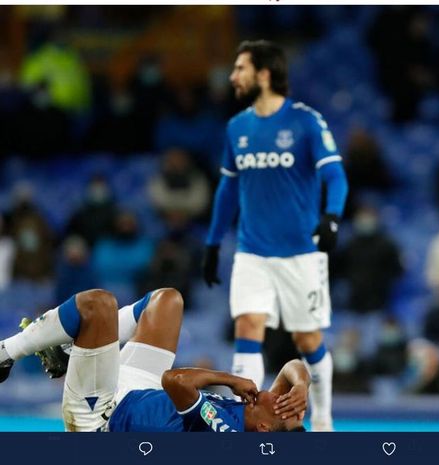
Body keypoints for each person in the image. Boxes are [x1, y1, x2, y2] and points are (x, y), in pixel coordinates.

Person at [202, 40, 348, 432]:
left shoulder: (306, 121)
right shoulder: (237, 127)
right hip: (251, 251)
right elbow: (228, 190)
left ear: (264, 74)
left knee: (307, 338)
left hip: (301, 253)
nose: (233, 77)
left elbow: (335, 174)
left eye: (240, 68)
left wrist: (332, 217)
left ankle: (323, 421)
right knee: (247, 326)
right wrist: (213, 243)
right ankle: (242, 422)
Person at [0, 288, 308, 432]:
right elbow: (291, 368)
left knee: (97, 306)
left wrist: (229, 379)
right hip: (142, 393)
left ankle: (6, 352)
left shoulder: (224, 433)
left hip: (104, 416)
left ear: (266, 428)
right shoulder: (268, 418)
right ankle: (70, 351)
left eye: (280, 403)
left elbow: (174, 381)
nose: (274, 393)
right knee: (166, 301)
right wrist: (303, 385)